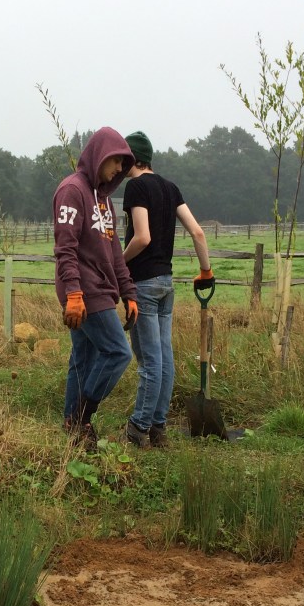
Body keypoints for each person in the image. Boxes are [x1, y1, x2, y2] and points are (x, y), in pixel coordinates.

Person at [120, 131, 214, 448]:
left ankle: (139, 427)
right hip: (166, 283)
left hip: (143, 284)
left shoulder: (136, 187)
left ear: (133, 159)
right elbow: (198, 233)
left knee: (150, 361)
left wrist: (117, 263)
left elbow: (142, 237)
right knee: (164, 358)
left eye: (123, 158)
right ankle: (158, 429)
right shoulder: (170, 188)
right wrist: (206, 271)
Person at [53, 127, 137, 450]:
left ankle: (71, 424)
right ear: (101, 155)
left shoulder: (104, 201)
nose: (119, 169)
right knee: (118, 352)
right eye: (116, 161)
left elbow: (114, 253)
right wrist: (74, 293)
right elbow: (66, 248)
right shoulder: (72, 191)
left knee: (83, 357)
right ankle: (82, 417)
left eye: (123, 165)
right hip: (84, 291)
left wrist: (129, 292)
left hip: (101, 289)